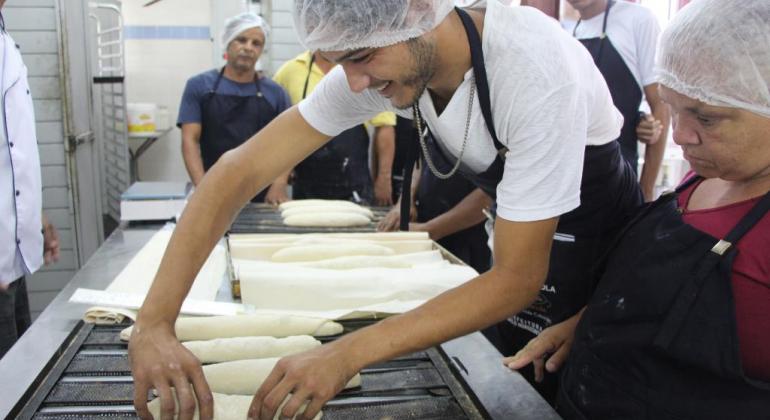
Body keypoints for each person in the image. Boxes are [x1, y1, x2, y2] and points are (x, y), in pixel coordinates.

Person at [127, 1, 642, 419]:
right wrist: (154, 323)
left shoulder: (532, 69)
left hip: (598, 270)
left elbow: (516, 279)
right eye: (341, 61)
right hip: (520, 247)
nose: (354, 84)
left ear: (420, 9)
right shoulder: (383, 54)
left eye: (362, 58)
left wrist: (345, 353)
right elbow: (238, 172)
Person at [506, 1, 770, 417]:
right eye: (672, 107)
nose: (681, 135)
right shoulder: (707, 176)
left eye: (707, 117)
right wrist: (586, 323)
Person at [177, 12, 291, 203]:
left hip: (261, 191)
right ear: (228, 42)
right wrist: (202, 187)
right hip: (213, 185)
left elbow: (288, 143)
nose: (248, 48)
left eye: (256, 43)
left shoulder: (275, 93)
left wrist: (279, 184)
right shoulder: (199, 86)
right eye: (242, 40)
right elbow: (190, 139)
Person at [565, 0, 670, 201]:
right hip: (573, 182)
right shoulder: (568, 33)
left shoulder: (638, 19)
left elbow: (661, 105)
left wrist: (646, 190)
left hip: (619, 179)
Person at [0, 2, 60, 359]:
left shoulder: (5, 40)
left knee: (17, 373)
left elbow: (11, 148)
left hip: (10, 255)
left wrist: (32, 214)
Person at [271, 50, 397, 205]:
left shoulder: (363, 70)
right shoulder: (290, 71)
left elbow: (384, 127)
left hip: (354, 183)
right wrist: (279, 181)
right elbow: (282, 134)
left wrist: (384, 178)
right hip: (307, 185)